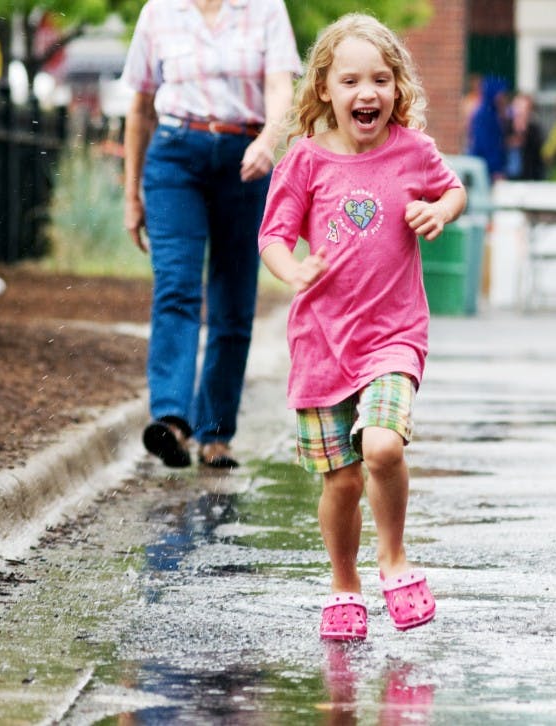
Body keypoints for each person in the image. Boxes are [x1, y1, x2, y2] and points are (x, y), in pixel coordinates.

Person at [256, 12, 467, 641]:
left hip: (393, 336)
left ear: (397, 89)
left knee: (381, 446)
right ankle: (343, 582)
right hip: (320, 344)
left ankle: (394, 559)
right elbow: (272, 235)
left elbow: (452, 189)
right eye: (350, 81)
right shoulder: (306, 161)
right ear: (325, 89)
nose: (366, 93)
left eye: (379, 79)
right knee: (341, 480)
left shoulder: (413, 150)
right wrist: (291, 271)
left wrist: (440, 209)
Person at [122, 0, 301, 469]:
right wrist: (130, 194)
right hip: (175, 157)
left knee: (234, 299)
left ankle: (216, 433)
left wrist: (268, 141)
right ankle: (174, 420)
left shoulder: (265, 9)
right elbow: (140, 108)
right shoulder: (159, 12)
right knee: (177, 285)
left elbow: (281, 86)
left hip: (247, 158)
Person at [466, 75, 508, 181]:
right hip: (485, 170)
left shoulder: (494, 114)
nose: (503, 98)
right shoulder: (484, 115)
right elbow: (484, 145)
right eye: (501, 95)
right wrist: (495, 170)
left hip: (490, 168)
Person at [504, 91, 546, 181]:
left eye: (522, 107)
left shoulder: (534, 129)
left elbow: (538, 154)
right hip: (509, 176)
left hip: (529, 177)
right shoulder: (506, 126)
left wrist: (523, 137)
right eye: (516, 106)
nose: (518, 110)